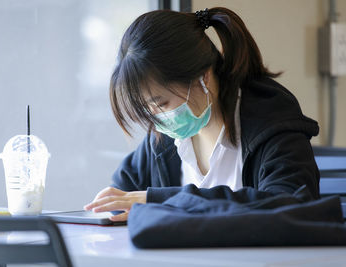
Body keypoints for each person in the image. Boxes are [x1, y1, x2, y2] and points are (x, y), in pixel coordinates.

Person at [84, 7, 320, 222]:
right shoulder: (165, 140)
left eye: (161, 103)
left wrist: (162, 200)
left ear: (203, 77)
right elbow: (122, 196)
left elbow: (290, 206)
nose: (157, 119)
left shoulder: (272, 124)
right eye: (147, 109)